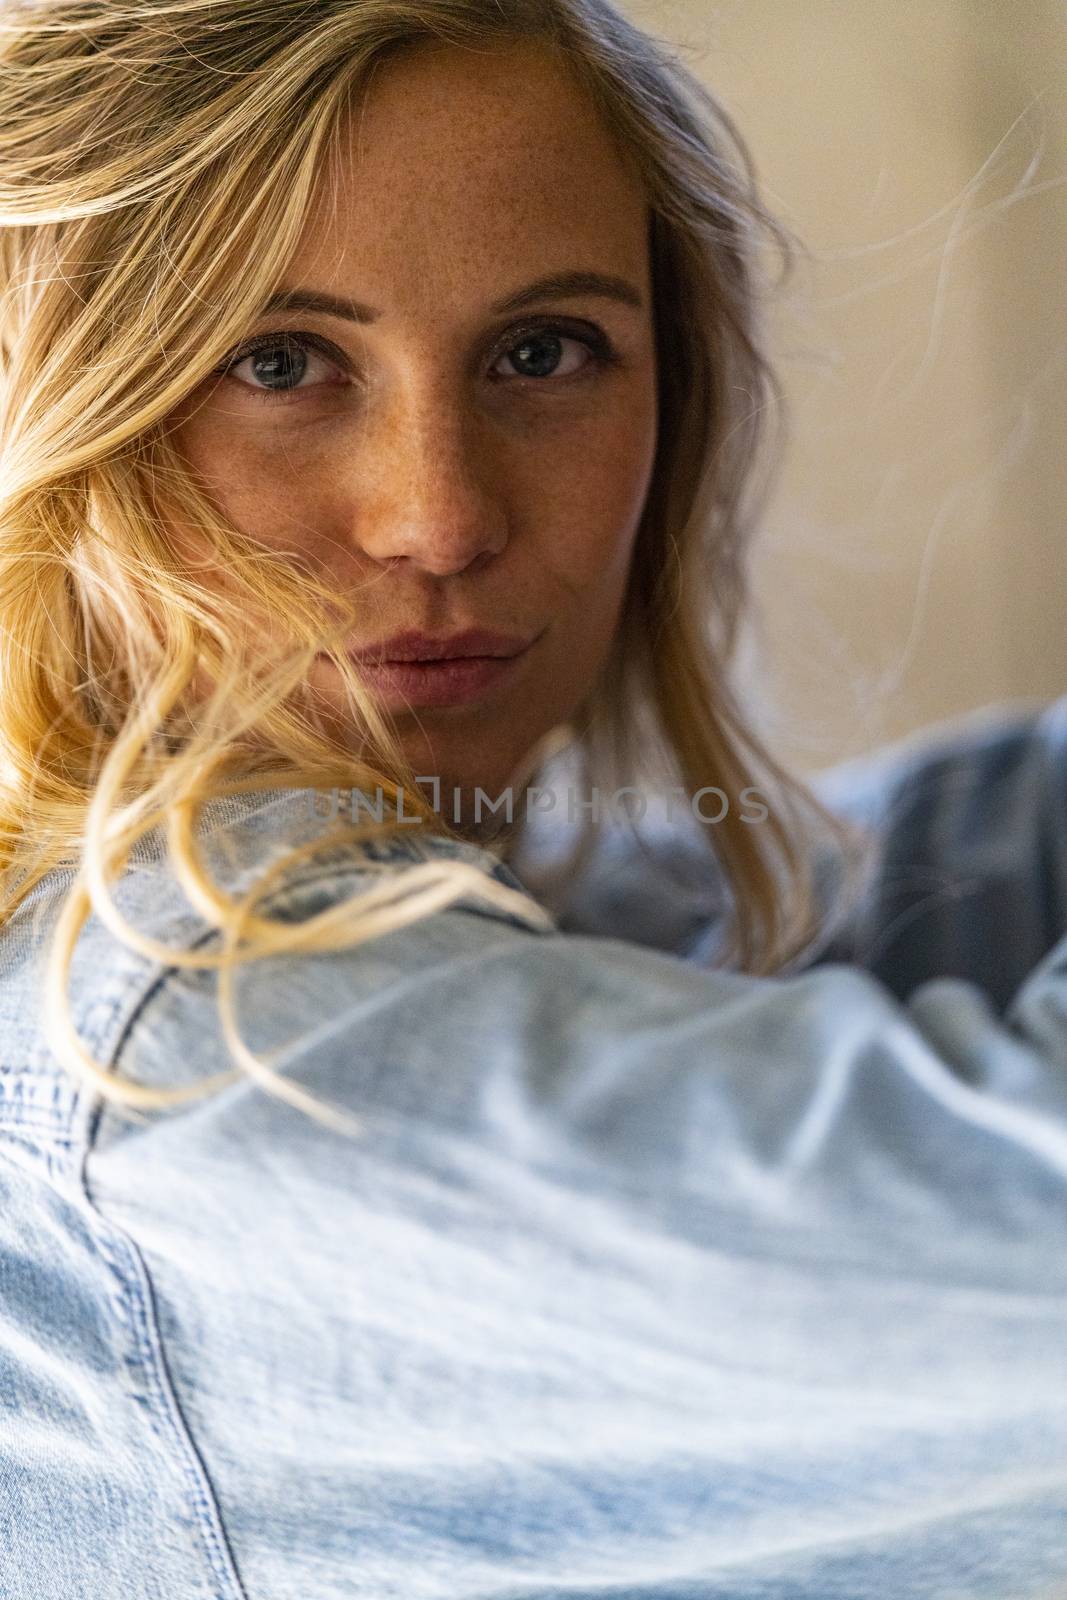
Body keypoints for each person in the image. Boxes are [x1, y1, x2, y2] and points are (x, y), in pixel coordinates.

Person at [0, 2, 1064, 1596]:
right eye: (276, 363)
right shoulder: (203, 1051)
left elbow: (924, 871)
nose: (438, 513)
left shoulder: (525, 917)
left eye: (544, 352)